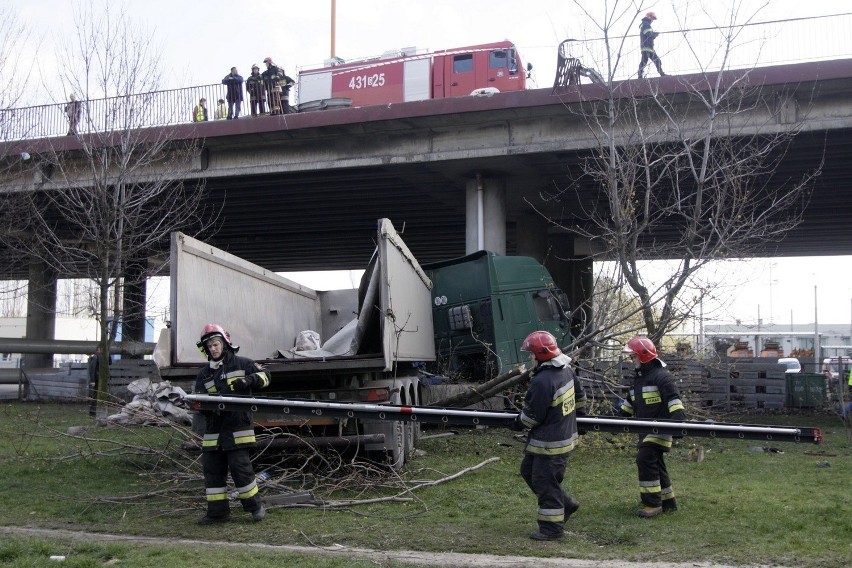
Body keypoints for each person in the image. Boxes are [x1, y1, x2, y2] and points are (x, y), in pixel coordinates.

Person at [193, 324, 270, 525]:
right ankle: (217, 513)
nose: (213, 349)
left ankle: (256, 507)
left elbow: (266, 377)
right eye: (209, 346)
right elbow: (198, 399)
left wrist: (249, 381)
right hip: (213, 433)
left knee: (241, 470)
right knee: (212, 472)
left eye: (216, 344)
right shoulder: (204, 374)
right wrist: (204, 407)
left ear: (224, 344)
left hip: (237, 430)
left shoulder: (243, 363)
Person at [512, 330, 586, 541]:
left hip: (550, 443)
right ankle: (566, 504)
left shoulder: (543, 381)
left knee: (545, 482)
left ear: (540, 355)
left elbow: (532, 417)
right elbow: (580, 397)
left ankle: (551, 529)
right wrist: (581, 418)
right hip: (557, 438)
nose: (529, 358)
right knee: (528, 471)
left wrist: (517, 423)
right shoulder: (566, 370)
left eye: (531, 354)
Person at [619, 336, 685, 518]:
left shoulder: (661, 377)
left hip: (661, 429)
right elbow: (630, 403)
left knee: (645, 458)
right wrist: (617, 418)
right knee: (656, 462)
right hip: (645, 430)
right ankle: (668, 501)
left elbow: (674, 401)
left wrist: (677, 423)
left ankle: (653, 503)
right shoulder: (639, 379)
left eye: (633, 357)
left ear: (643, 356)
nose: (632, 361)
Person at [637, 12, 666, 79]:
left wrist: (653, 34)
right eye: (652, 18)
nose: (653, 20)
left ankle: (661, 74)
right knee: (646, 61)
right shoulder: (646, 24)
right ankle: (640, 75)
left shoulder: (645, 24)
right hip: (646, 47)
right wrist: (654, 35)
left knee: (655, 60)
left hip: (648, 47)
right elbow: (648, 35)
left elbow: (648, 34)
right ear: (649, 17)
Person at [87, 344, 104, 418]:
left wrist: (108, 355)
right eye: (101, 349)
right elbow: (92, 369)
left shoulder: (102, 357)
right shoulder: (95, 357)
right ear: (98, 350)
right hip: (97, 380)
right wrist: (92, 380)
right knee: (95, 396)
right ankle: (92, 413)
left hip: (101, 379)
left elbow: (110, 362)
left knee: (100, 396)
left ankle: (98, 412)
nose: (102, 351)